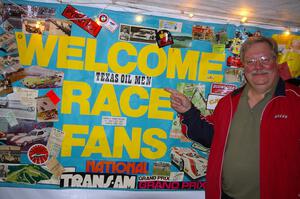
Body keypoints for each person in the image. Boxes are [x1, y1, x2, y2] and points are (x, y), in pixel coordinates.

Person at [165, 36, 300, 199]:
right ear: (244, 66)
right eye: (250, 61)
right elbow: (210, 137)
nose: (258, 66)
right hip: (226, 195)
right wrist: (188, 111)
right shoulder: (228, 102)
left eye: (264, 59)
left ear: (275, 60)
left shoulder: (295, 100)